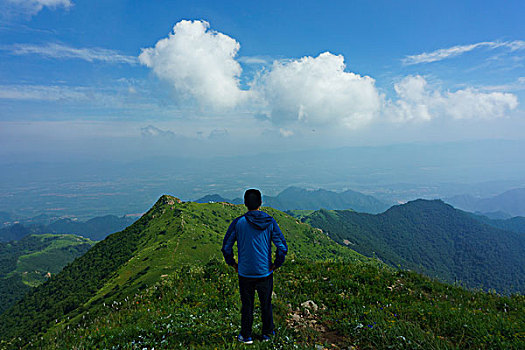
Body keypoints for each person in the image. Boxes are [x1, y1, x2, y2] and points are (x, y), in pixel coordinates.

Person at [221, 189, 288, 344]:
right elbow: (282, 247)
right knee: (266, 304)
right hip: (265, 272)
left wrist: (233, 264)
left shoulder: (239, 223)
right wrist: (276, 264)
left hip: (245, 273)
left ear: (245, 203)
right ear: (261, 203)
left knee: (247, 305)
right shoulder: (270, 222)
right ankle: (267, 334)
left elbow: (226, 247)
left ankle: (246, 335)